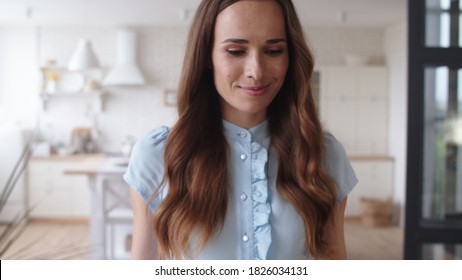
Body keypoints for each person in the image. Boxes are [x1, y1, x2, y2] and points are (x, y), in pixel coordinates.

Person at [124, 0, 357, 260]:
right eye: (235, 51)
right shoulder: (157, 154)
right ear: (207, 56)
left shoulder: (323, 154)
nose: (256, 71)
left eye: (274, 51)